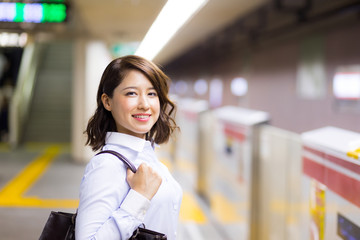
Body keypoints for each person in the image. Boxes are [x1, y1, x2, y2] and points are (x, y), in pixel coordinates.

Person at [75, 55, 182, 240]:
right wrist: (139, 196)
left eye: (152, 93)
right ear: (107, 101)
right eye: (131, 93)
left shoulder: (146, 155)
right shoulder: (106, 165)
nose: (144, 104)